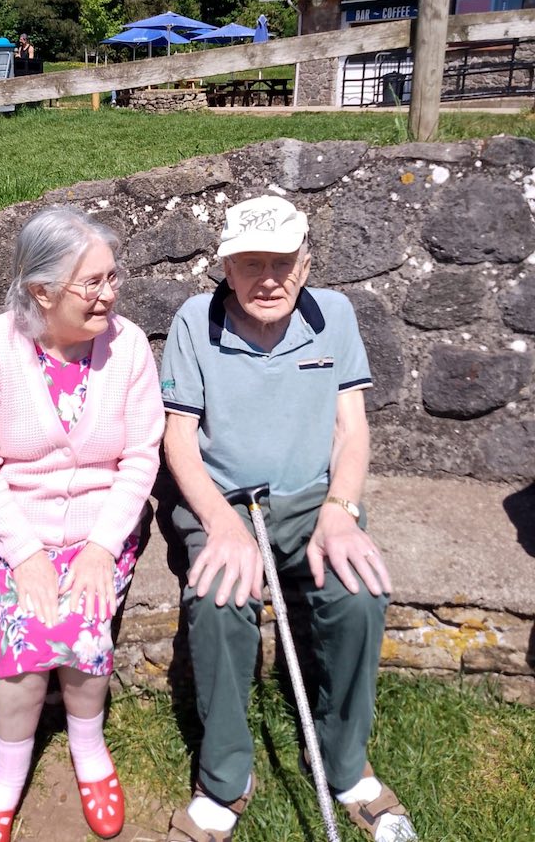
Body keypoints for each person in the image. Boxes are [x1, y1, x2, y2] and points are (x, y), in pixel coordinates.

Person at [160, 195, 418, 842]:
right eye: (251, 262)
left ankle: (342, 759)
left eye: (283, 261)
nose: (268, 278)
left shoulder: (334, 315)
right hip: (225, 503)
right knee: (217, 598)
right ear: (225, 264)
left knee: (360, 594)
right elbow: (179, 438)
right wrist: (220, 522)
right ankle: (226, 777)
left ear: (306, 260)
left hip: (311, 500)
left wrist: (341, 508)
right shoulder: (195, 321)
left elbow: (351, 428)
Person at [0, 206, 164, 842]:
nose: (109, 294)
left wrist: (102, 546)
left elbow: (140, 456)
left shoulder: (126, 346)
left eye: (111, 277)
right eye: (91, 283)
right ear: (41, 291)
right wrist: (25, 554)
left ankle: (89, 748)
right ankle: (8, 770)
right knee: (25, 641)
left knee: (83, 619)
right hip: (22, 528)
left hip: (105, 524)